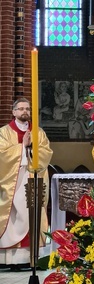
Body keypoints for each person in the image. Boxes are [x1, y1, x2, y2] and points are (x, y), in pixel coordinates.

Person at [0, 98, 52, 269]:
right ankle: (10, 260)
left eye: (27, 109)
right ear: (13, 112)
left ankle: (31, 258)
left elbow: (46, 153)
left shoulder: (38, 132)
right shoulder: (4, 132)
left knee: (32, 213)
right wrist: (22, 147)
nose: (24, 112)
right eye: (20, 108)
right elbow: (2, 155)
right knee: (13, 216)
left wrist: (31, 149)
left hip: (32, 178)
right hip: (12, 182)